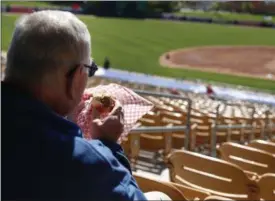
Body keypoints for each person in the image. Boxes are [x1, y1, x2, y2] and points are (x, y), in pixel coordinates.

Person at [2, 10, 171, 201]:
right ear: (76, 77)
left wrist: (67, 124)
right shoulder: (85, 162)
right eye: (89, 70)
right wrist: (108, 145)